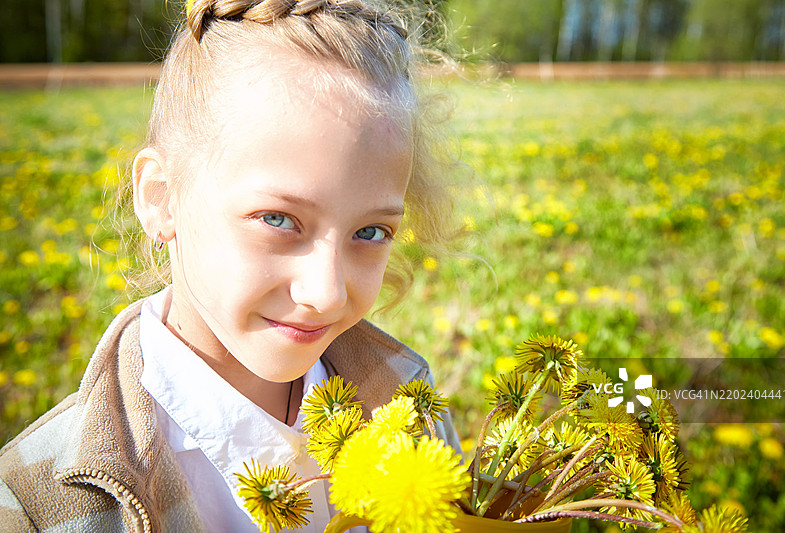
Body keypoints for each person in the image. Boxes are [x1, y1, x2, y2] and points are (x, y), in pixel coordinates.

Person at [0, 0, 461, 531]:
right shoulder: (34, 501)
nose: (328, 293)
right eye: (278, 219)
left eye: (370, 232)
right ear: (161, 198)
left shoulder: (412, 411)